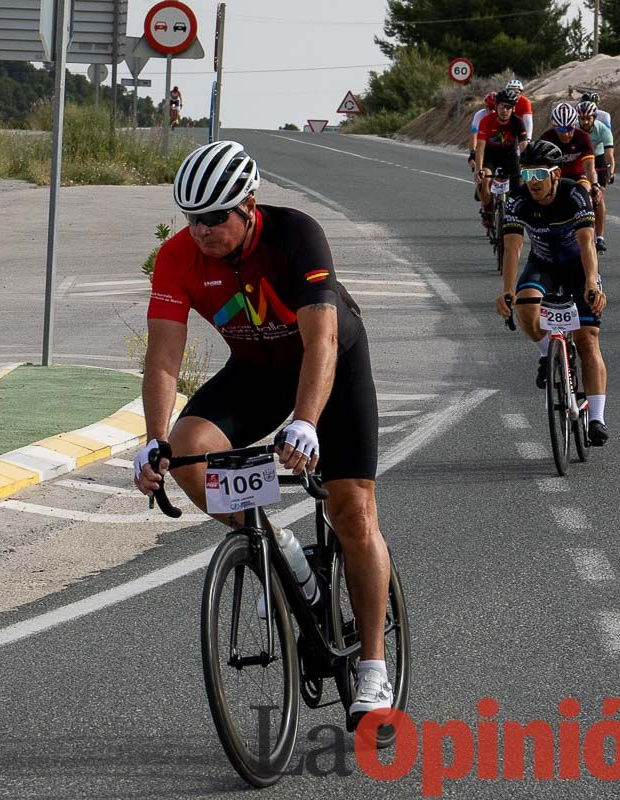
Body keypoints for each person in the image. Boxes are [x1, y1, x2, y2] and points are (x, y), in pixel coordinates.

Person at [134, 140, 395, 717]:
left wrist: (306, 422)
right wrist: (153, 438)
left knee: (352, 510)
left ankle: (374, 669)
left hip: (329, 366)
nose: (201, 231)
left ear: (248, 205)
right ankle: (281, 553)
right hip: (255, 373)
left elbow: (321, 340)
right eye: (191, 219)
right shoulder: (178, 258)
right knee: (187, 453)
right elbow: (163, 359)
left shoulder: (296, 236)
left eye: (214, 218)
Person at [495, 140, 610, 446]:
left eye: (539, 175)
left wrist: (591, 282)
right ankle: (547, 352)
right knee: (525, 307)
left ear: (556, 174)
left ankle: (597, 418)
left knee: (587, 338)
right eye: (527, 175)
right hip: (543, 263)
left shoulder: (575, 194)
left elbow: (587, 243)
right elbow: (513, 247)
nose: (532, 183)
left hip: (577, 266)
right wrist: (507, 290)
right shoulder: (518, 200)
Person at [474, 90, 529, 228]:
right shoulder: (486, 121)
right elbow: (480, 147)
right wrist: (478, 171)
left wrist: (527, 166)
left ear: (513, 108)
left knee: (518, 191)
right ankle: (487, 211)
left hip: (510, 158)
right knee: (485, 179)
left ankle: (512, 215)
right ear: (496, 106)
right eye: (501, 106)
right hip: (490, 158)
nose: (504, 110)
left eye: (508, 107)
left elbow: (523, 147)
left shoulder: (518, 122)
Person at [577, 100, 613, 253]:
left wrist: (611, 172)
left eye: (588, 118)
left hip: (597, 159)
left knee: (599, 197)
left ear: (594, 118)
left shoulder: (603, 130)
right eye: (582, 119)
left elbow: (609, 156)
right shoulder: (574, 129)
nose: (585, 122)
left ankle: (599, 237)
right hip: (579, 159)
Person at [540, 102, 597, 188]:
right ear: (554, 127)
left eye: (569, 128)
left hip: (578, 176)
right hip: (554, 177)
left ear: (574, 125)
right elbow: (540, 166)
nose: (565, 134)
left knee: (590, 192)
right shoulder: (546, 139)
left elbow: (590, 168)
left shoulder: (583, 137)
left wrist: (594, 186)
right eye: (561, 129)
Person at [467, 92, 497, 176]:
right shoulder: (479, 115)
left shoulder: (503, 117)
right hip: (485, 145)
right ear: (485, 106)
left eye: (494, 108)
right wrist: (472, 153)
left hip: (500, 145)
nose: (492, 111)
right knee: (483, 175)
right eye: (490, 108)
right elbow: (474, 134)